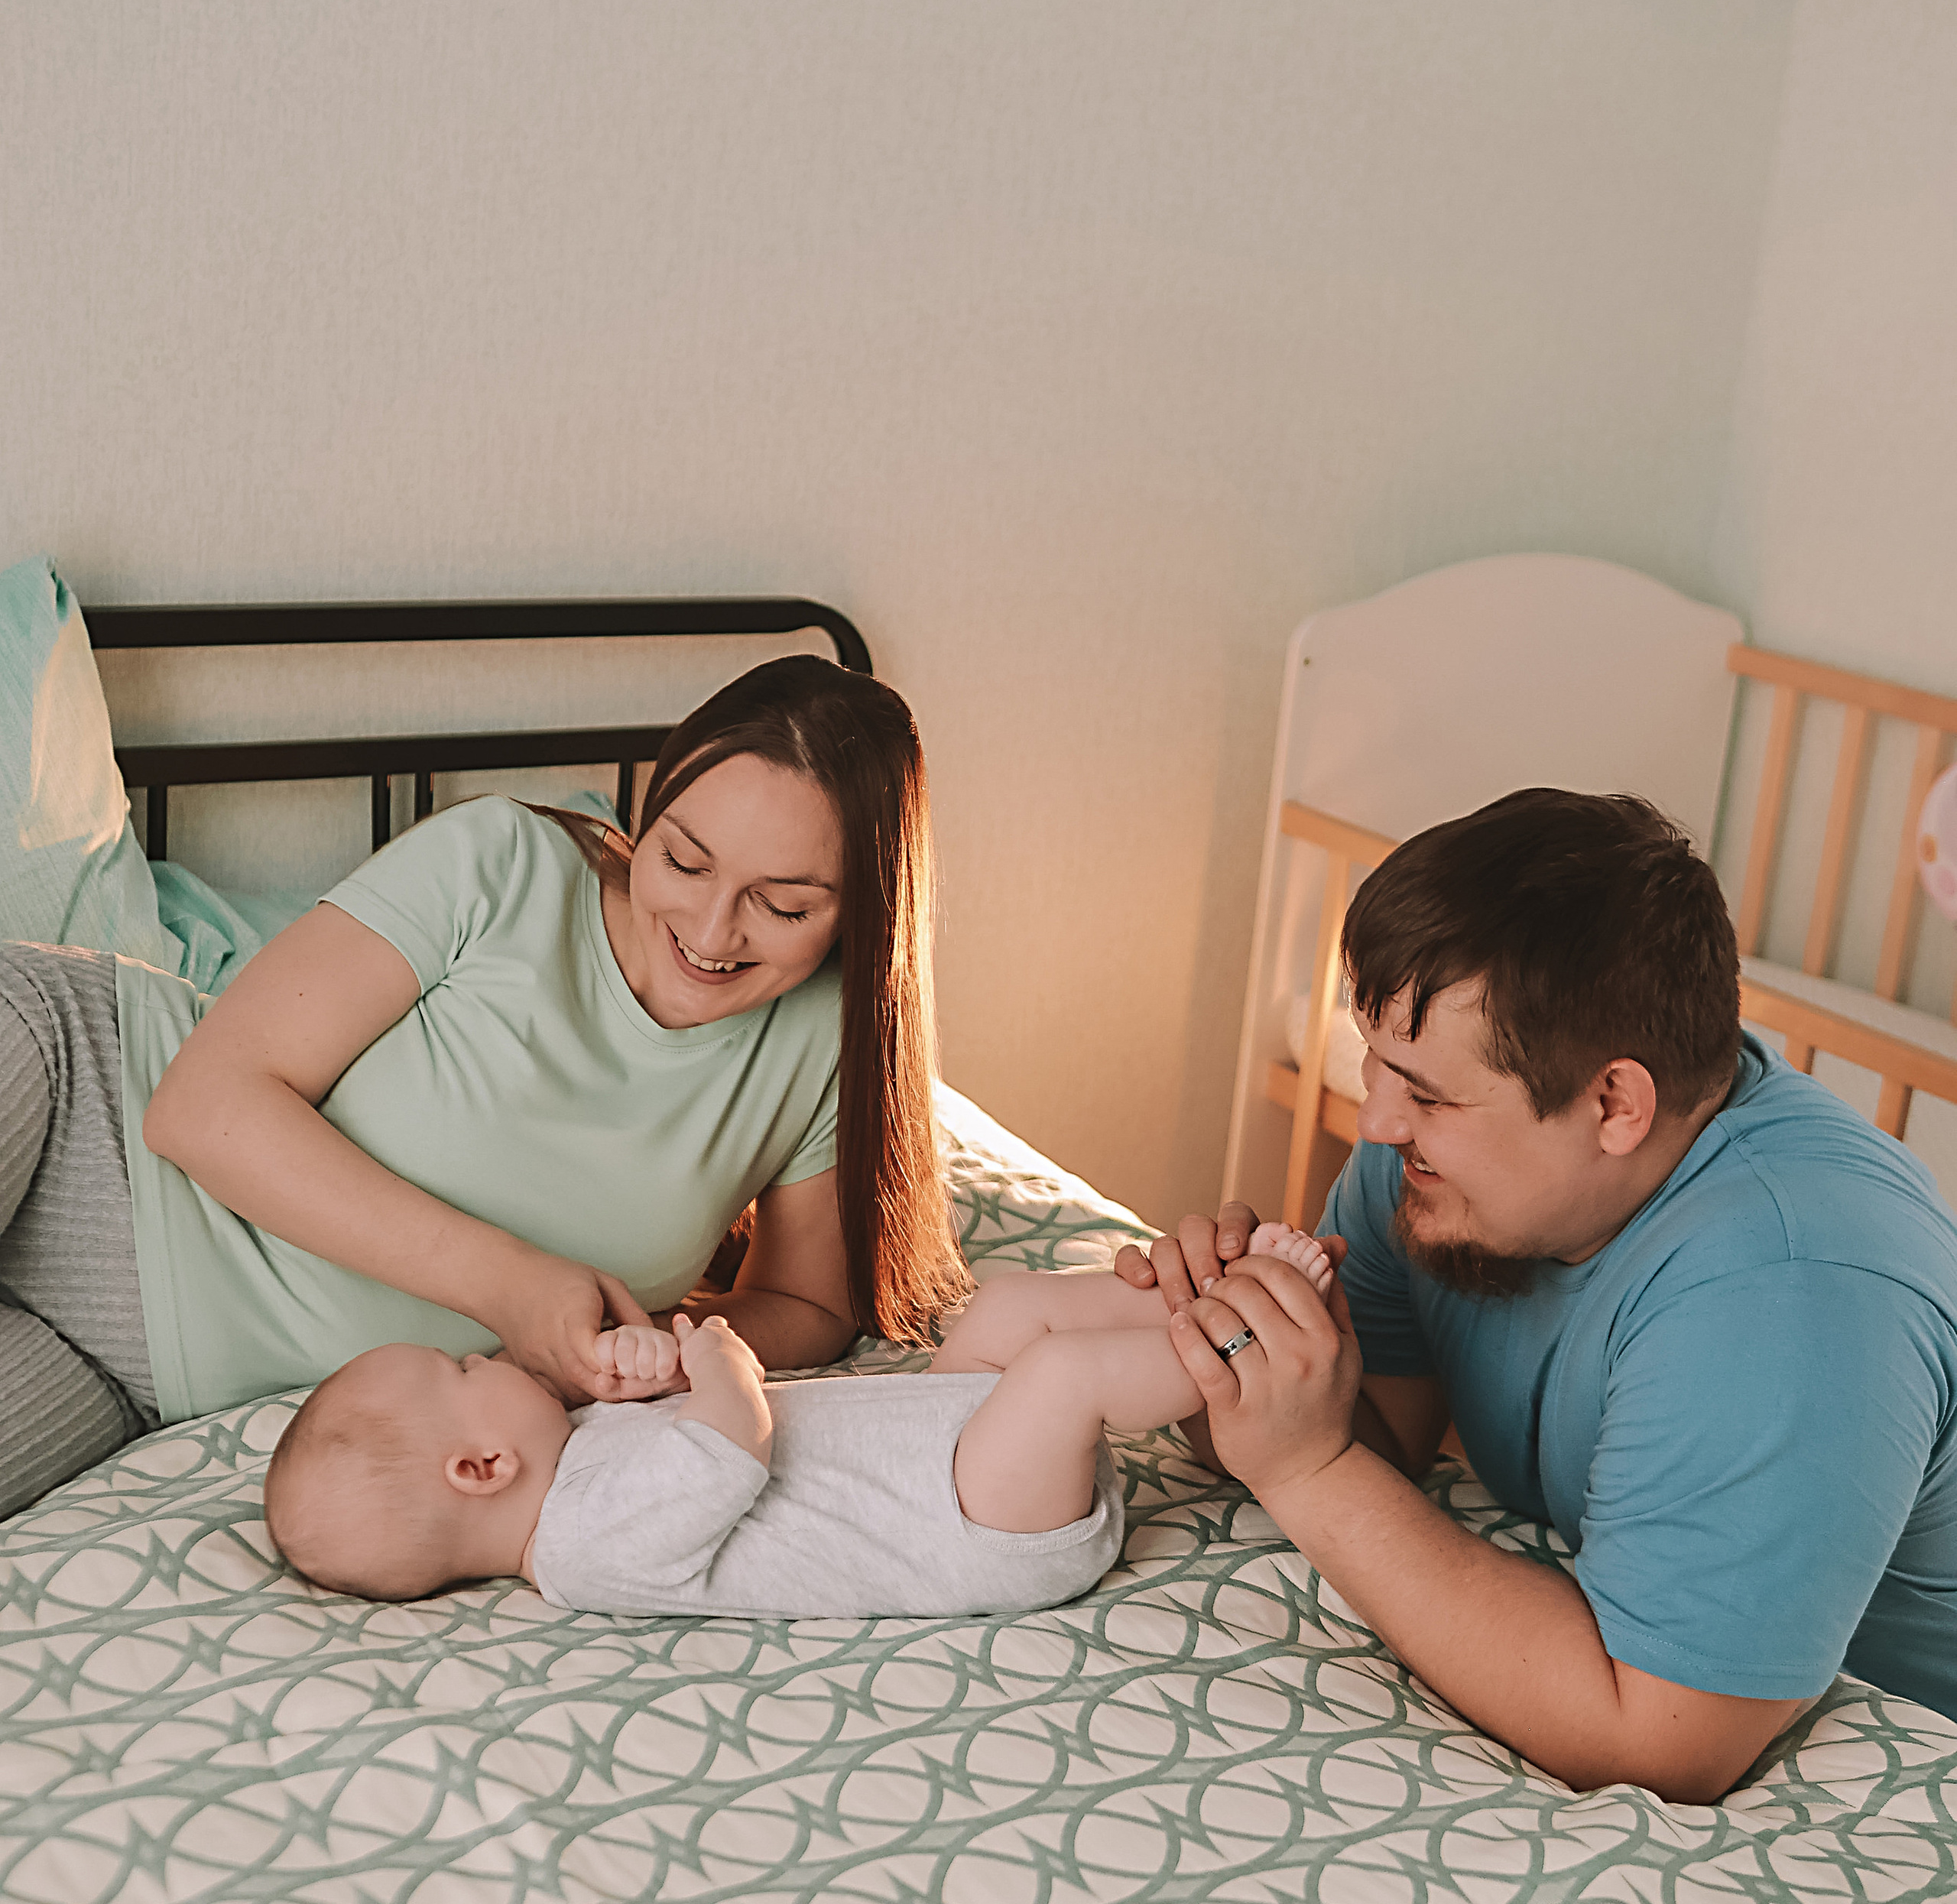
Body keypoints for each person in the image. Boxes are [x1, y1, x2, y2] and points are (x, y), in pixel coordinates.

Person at [1117, 789, 1957, 1803]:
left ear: (1613, 1104)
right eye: (1378, 1065)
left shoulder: (1793, 1290)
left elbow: (1660, 1740)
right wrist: (1240, 1347)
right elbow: (1382, 1428)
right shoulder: (1431, 1173)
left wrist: (1308, 1469)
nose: (1377, 1122)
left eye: (1426, 1093)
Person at [0, 657, 969, 1520]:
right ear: (652, 815)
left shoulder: (828, 1045)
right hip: (74, 1091)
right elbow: (200, 1105)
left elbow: (808, 1304)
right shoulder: (502, 865)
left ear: (866, 911)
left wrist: (644, 1349)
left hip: (146, 1377)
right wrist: (513, 1286)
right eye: (683, 858)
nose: (714, 931)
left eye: (783, 904)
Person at [261, 1224, 1340, 1613]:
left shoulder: (580, 1463)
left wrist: (645, 1385)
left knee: (1006, 1309)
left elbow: (679, 1453)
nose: (491, 1353)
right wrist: (716, 1356)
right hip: (974, 1525)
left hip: (938, 1439)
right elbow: (732, 1453)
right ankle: (1255, 1343)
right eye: (465, 1366)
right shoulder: (582, 1549)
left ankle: (1209, 1293)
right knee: (1059, 1379)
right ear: (482, 1466)